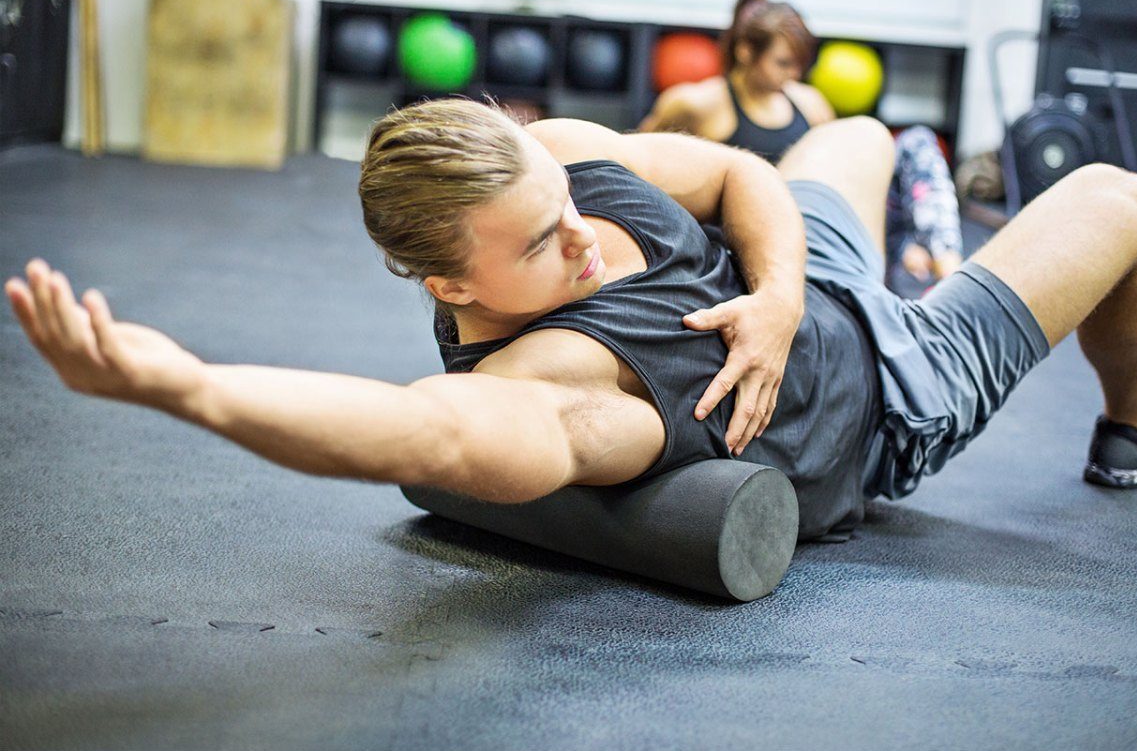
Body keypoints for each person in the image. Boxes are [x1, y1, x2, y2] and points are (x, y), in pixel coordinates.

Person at [6, 98, 1137, 544]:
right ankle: (1126, 428)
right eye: (545, 245)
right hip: (890, 386)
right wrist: (183, 386)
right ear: (456, 286)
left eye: (564, 207)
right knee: (1115, 199)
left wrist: (780, 295)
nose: (584, 238)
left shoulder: (561, 157)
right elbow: (422, 434)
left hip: (802, 282)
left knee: (859, 135)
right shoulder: (555, 383)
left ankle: (880, 263)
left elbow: (739, 172)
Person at [639, 0, 964, 288]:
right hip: (751, 241)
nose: (793, 74)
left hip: (816, 231)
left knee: (917, 142)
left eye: (798, 64)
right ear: (745, 51)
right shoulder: (700, 104)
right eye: (783, 63)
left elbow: (845, 179)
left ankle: (943, 271)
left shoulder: (809, 103)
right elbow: (641, 162)